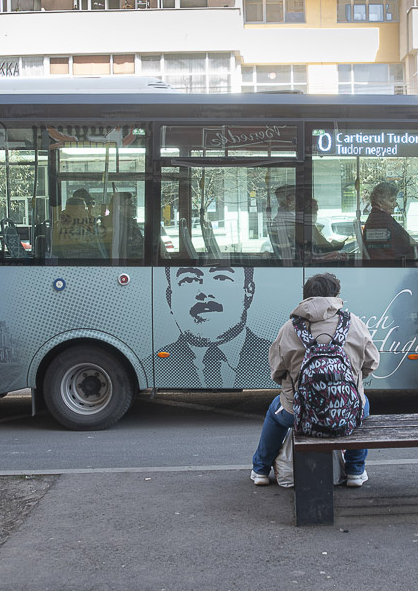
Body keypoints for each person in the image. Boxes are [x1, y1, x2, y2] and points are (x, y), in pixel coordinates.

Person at [251, 272, 380, 487]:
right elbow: (371, 363)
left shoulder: (290, 327)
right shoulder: (354, 323)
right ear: (336, 295)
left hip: (299, 413)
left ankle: (260, 471)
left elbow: (276, 371)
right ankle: (356, 471)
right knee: (362, 407)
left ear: (306, 297)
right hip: (346, 410)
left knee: (275, 413)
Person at [150, 266, 271, 388]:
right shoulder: (151, 366)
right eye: (189, 280)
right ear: (169, 298)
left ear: (248, 292)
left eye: (221, 278)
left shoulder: (277, 357)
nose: (204, 293)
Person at [362, 181, 416, 261]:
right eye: (391, 201)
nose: (395, 204)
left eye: (395, 200)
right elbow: (405, 245)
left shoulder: (377, 218)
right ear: (379, 202)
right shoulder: (381, 221)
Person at [99, 191, 144, 260]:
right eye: (130, 205)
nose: (134, 207)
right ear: (120, 208)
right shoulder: (115, 224)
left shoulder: (130, 222)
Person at [267, 185, 297, 259]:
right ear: (289, 201)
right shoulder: (287, 218)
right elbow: (301, 240)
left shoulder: (280, 217)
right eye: (297, 198)